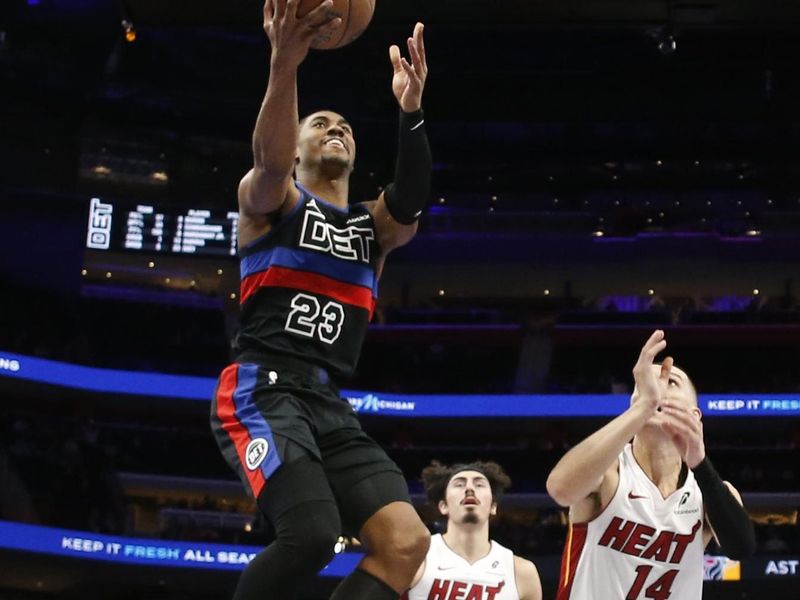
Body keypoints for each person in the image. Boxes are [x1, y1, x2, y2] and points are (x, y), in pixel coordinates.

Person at [209, 1, 432, 598]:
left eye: (346, 128)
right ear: (300, 149)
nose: (336, 128)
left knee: (408, 545)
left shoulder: (371, 229)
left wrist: (410, 111)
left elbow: (409, 198)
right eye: (320, 124)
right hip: (262, 389)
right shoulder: (271, 204)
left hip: (328, 402)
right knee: (311, 533)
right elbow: (269, 159)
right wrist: (285, 67)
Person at [546, 330, 755, 599]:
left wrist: (700, 463)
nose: (656, 388)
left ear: (694, 415)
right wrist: (642, 409)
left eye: (671, 382)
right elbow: (560, 489)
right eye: (647, 384)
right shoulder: (609, 471)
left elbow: (741, 550)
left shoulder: (709, 491)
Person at [405, 461, 542, 600]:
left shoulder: (521, 572)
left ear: (493, 506)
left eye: (479, 485)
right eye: (459, 484)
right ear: (443, 506)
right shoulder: (417, 559)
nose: (469, 489)